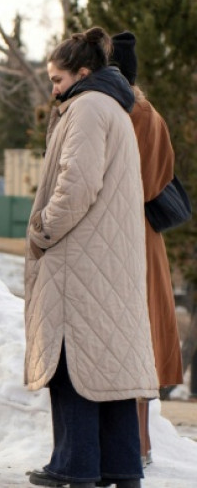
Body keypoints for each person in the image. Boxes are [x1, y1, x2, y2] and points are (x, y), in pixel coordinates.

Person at [24, 27, 158, 488]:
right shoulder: (114, 109)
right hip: (108, 260)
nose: (53, 89)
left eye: (57, 80)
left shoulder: (85, 108)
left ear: (82, 73)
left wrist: (42, 229)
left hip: (78, 260)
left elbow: (76, 185)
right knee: (108, 371)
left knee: (71, 363)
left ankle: (73, 465)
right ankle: (120, 468)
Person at [110, 30, 184, 468]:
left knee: (130, 338)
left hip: (127, 236)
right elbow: (161, 178)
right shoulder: (147, 113)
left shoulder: (128, 113)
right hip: (143, 236)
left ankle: (135, 447)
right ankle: (139, 446)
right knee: (140, 340)